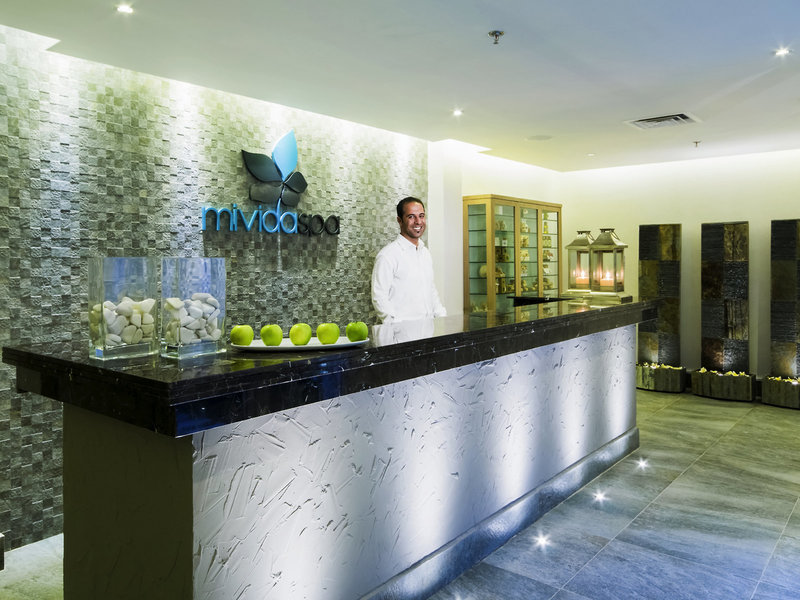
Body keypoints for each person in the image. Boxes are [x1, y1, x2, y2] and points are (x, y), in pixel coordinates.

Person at [371, 197, 447, 323]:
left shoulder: (425, 253)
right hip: (401, 332)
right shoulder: (387, 256)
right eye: (411, 217)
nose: (418, 222)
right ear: (399, 220)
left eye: (421, 216)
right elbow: (379, 298)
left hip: (428, 330)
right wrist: (396, 326)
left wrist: (443, 319)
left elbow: (431, 290)